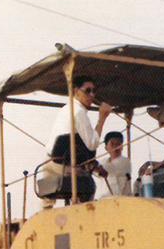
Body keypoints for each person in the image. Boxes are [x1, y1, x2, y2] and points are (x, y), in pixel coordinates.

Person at [39, 75, 113, 207]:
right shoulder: (79, 112)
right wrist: (102, 118)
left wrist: (93, 166)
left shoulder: (66, 109)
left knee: (46, 205)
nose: (91, 95)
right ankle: (82, 217)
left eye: (94, 91)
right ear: (75, 91)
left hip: (49, 164)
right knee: (90, 186)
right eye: (87, 90)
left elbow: (76, 149)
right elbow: (92, 144)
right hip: (63, 167)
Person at [96, 131, 131, 196]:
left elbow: (110, 167)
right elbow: (95, 171)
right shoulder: (103, 161)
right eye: (112, 144)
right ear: (106, 147)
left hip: (121, 200)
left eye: (118, 144)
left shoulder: (125, 161)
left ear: (122, 146)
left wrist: (93, 166)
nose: (115, 147)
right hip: (104, 200)